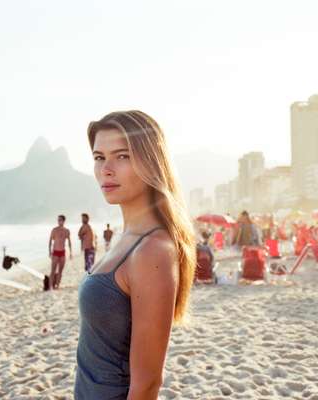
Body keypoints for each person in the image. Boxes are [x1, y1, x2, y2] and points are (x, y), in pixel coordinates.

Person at [74, 110, 196, 399]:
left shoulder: (152, 251)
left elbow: (147, 384)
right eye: (99, 157)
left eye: (123, 156)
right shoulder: (126, 237)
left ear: (151, 162)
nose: (106, 169)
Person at [48, 215, 72, 290]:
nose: (59, 221)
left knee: (60, 271)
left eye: (60, 220)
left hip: (62, 252)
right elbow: (50, 241)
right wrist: (49, 252)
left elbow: (69, 242)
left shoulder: (66, 231)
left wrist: (71, 252)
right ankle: (50, 286)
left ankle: (57, 285)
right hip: (55, 252)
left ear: (63, 221)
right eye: (58, 220)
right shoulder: (54, 230)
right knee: (53, 270)